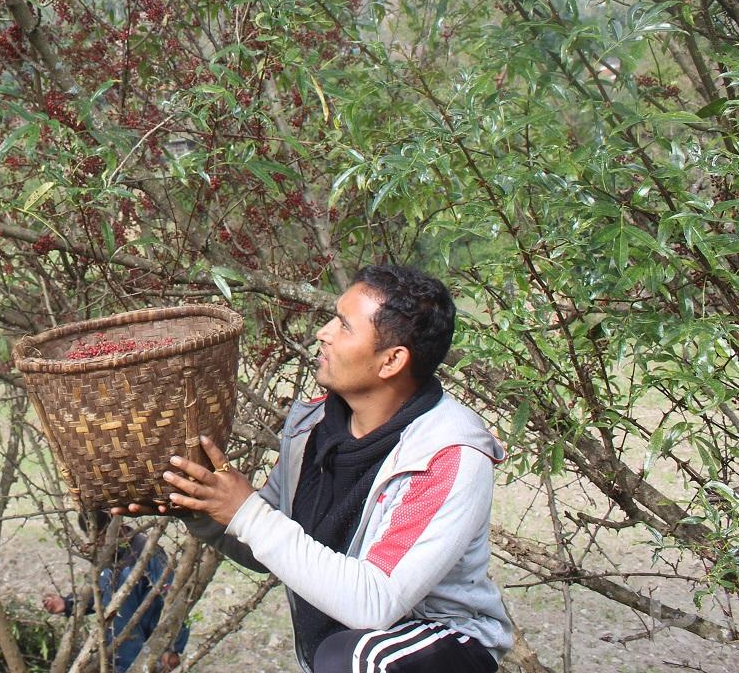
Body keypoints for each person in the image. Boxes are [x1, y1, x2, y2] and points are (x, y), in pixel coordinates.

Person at [118, 264, 513, 673]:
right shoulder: (311, 424)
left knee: (353, 659)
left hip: (443, 643)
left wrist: (246, 513)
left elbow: (375, 601)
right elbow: (269, 546)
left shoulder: (446, 454)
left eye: (343, 326)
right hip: (344, 651)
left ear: (392, 360)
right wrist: (202, 510)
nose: (323, 332)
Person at [43, 518, 189, 672]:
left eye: (101, 535)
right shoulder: (105, 558)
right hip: (119, 657)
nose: (98, 543)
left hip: (149, 654)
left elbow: (174, 600)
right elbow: (99, 595)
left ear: (115, 526)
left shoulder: (148, 553)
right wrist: (67, 604)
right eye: (92, 537)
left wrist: (173, 647)